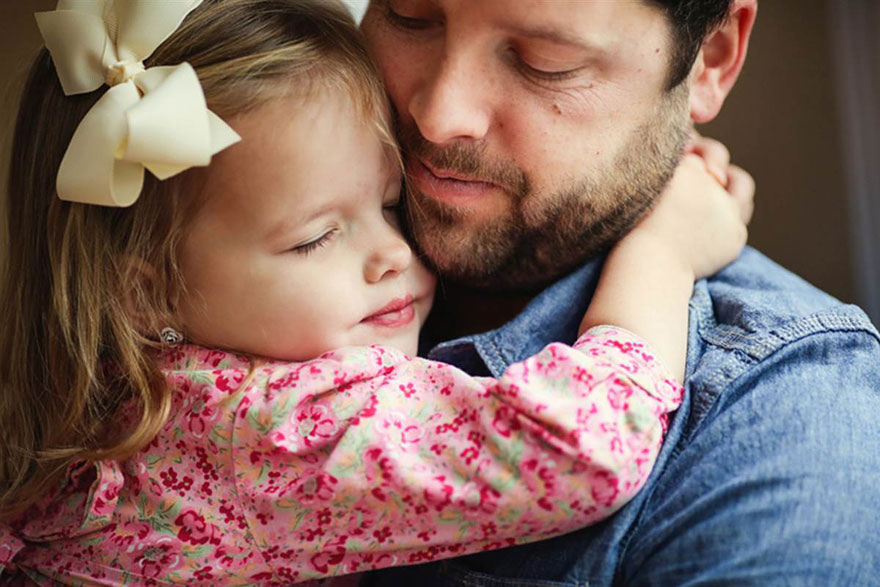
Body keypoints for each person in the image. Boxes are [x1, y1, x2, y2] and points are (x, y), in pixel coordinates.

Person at [0, 0, 751, 584]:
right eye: (315, 236)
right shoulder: (267, 426)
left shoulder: (99, 400)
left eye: (392, 203)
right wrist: (664, 248)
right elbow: (578, 447)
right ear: (148, 291)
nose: (395, 252)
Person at [350, 0, 880, 585]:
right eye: (407, 16)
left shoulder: (786, 428)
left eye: (545, 61)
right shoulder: (246, 239)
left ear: (710, 59)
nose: (437, 114)